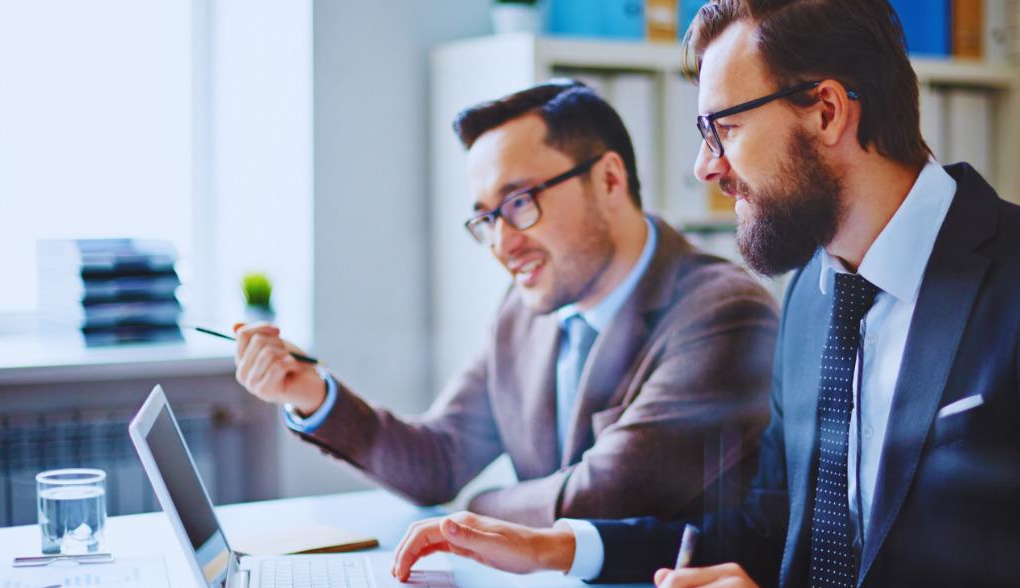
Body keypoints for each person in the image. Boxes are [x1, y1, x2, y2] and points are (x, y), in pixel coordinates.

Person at [390, 1, 1020, 588]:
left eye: (722, 127)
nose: (705, 167)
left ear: (826, 111)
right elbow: (766, 527)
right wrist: (564, 547)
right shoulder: (814, 292)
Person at [233, 80, 779, 528]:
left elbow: (602, 498)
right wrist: (311, 394)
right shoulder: (524, 311)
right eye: (486, 218)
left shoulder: (723, 312)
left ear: (610, 180)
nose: (502, 244)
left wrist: (467, 514)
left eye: (519, 203)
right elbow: (440, 458)